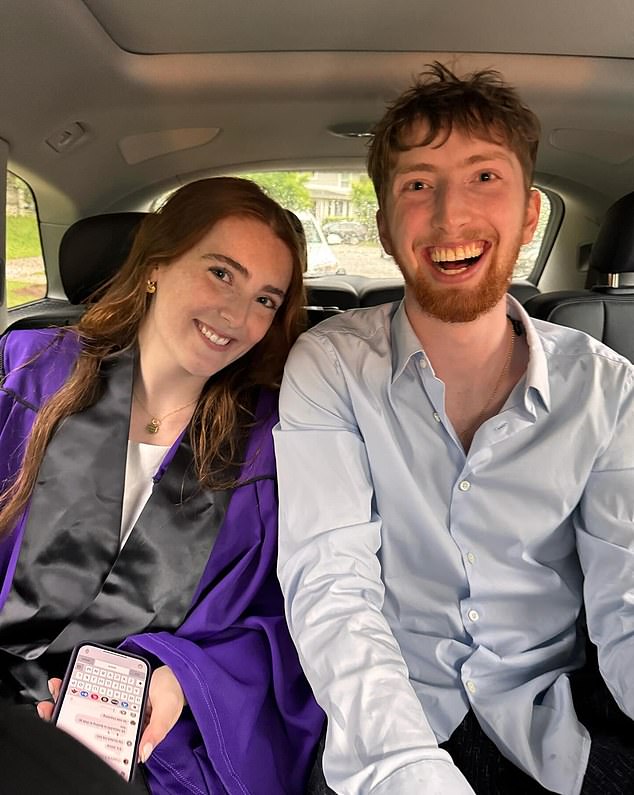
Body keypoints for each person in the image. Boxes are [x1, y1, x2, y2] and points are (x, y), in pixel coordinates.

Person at [274, 64, 634, 795]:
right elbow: (332, 585)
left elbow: (627, 593)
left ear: (531, 215)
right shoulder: (331, 367)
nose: (448, 217)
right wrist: (408, 772)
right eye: (416, 185)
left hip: (555, 721)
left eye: (484, 178)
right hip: (389, 716)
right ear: (383, 225)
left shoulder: (607, 386)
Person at [0, 177, 324, 794]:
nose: (237, 315)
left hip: (153, 735)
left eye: (266, 299)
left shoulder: (273, 444)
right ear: (156, 265)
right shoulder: (30, 375)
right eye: (222, 273)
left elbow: (290, 617)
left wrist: (184, 679)